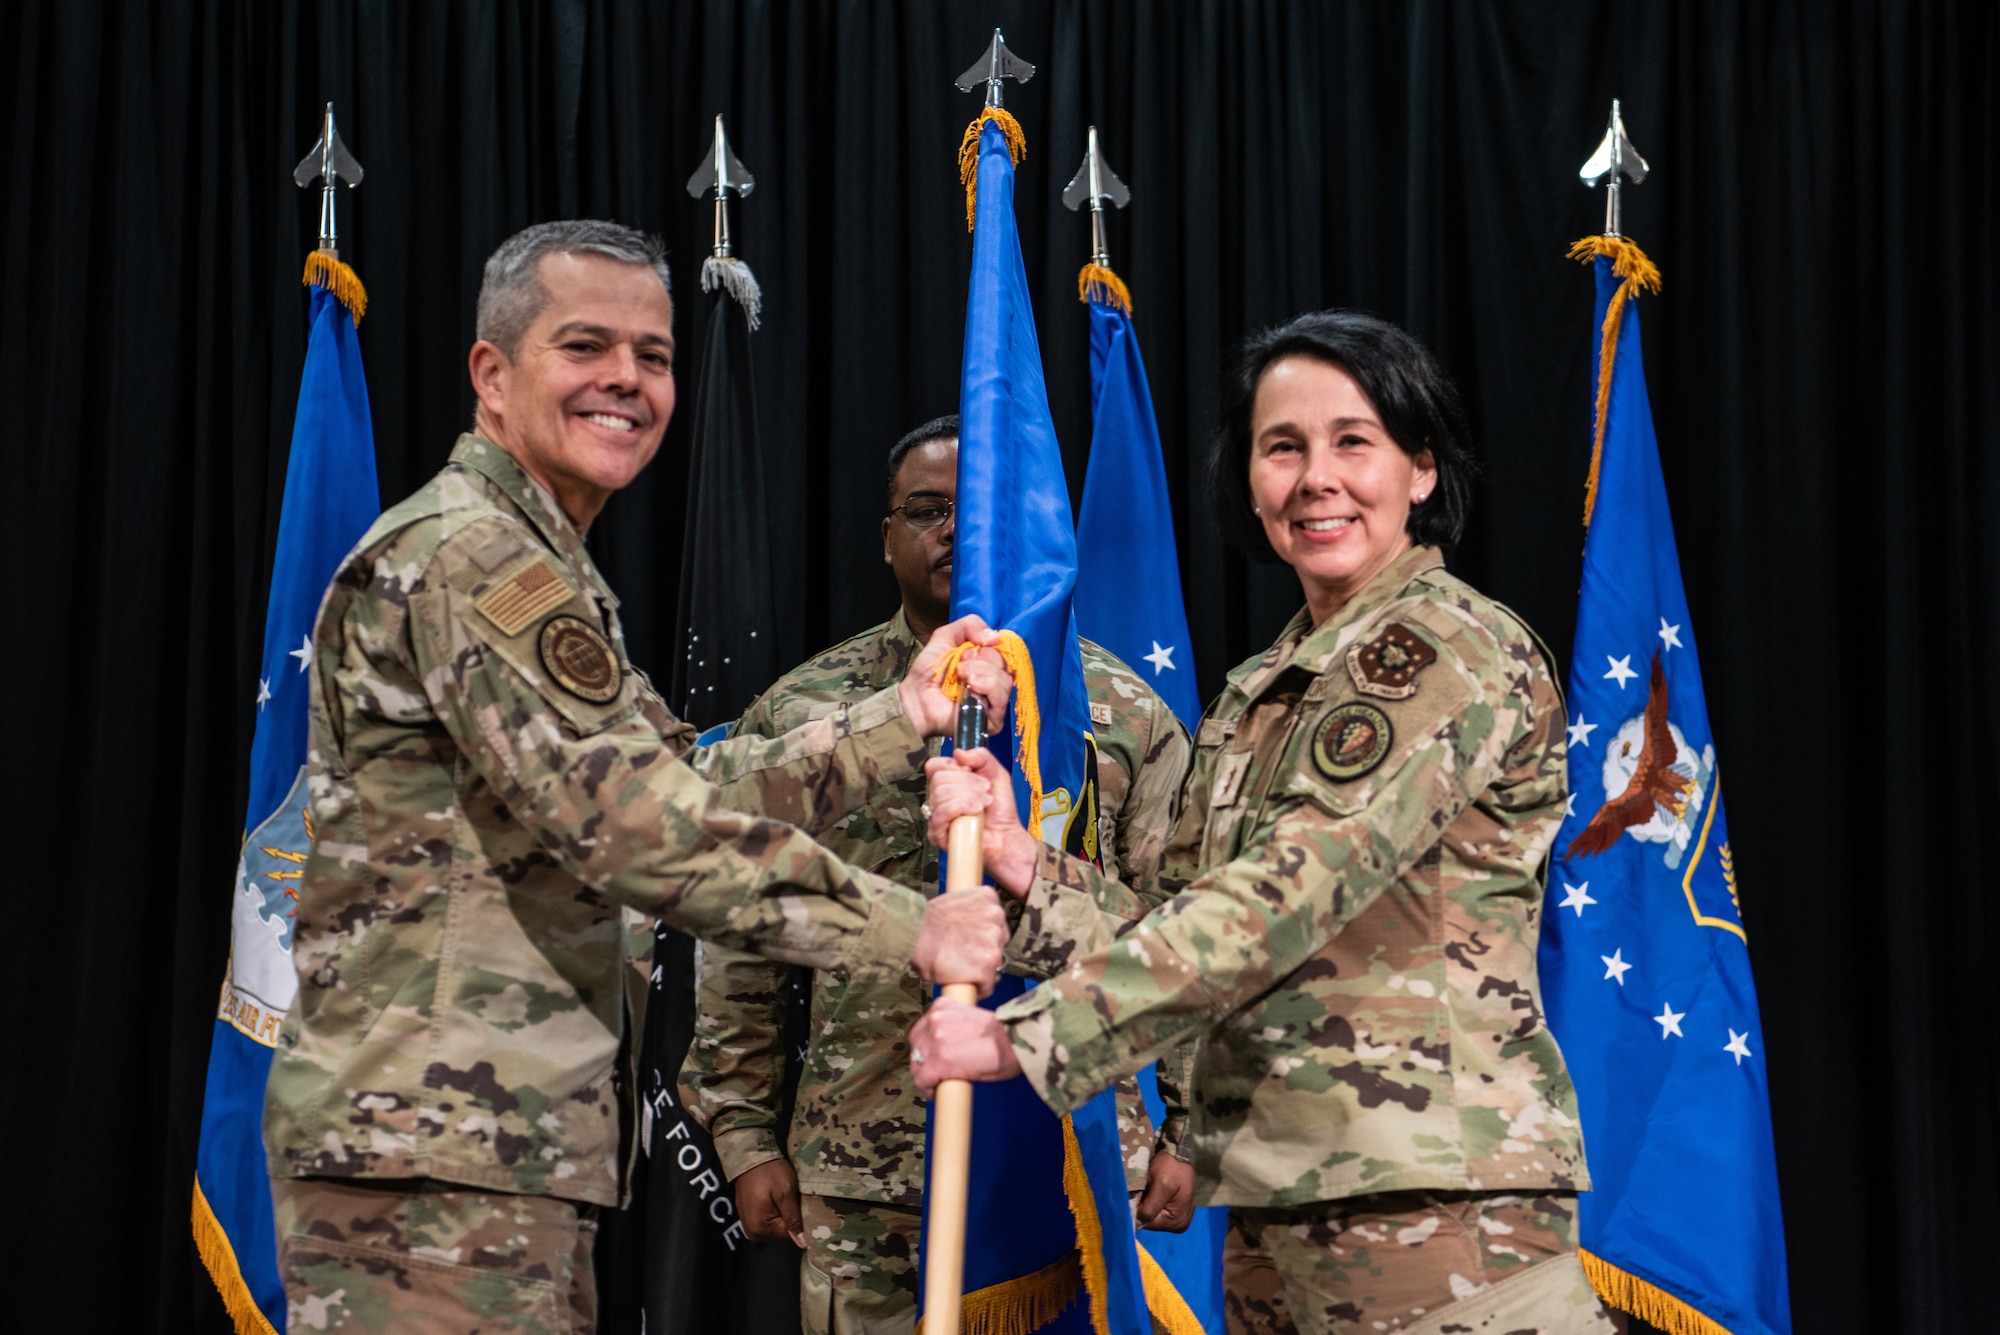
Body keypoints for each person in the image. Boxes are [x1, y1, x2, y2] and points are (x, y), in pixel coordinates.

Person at [261, 221, 1018, 1335]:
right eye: (584, 346)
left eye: (652, 355)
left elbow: (685, 782)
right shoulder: (474, 559)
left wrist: (896, 719)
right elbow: (643, 832)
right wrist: (916, 927)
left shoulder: (539, 564)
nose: (626, 378)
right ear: (491, 374)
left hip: (483, 1146)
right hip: (432, 1156)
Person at [912, 311, 1615, 1334]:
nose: (1315, 478)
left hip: (1437, 1224)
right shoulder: (1261, 690)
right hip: (1277, 1218)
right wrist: (1026, 865)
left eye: (1353, 442)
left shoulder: (1440, 651)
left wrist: (1027, 1040)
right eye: (1282, 447)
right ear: (1248, 480)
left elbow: (1282, 897)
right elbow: (1182, 922)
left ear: (1421, 470)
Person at [678, 415, 1197, 1335]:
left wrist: (1188, 1129)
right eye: (928, 509)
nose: (959, 529)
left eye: (988, 507)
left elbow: (1187, 930)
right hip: (865, 1169)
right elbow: (741, 921)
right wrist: (744, 1129)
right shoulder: (806, 712)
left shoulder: (1123, 714)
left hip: (1074, 1162)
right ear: (888, 538)